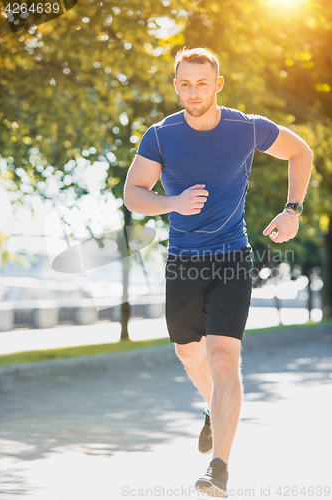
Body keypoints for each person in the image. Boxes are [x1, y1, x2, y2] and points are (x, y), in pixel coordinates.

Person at [124, 47, 313, 497]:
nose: (193, 92)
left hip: (232, 258)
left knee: (225, 357)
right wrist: (171, 202)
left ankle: (219, 468)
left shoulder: (245, 128)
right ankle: (213, 407)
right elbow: (134, 193)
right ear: (176, 86)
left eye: (202, 83)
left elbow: (300, 153)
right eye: (185, 83)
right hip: (183, 262)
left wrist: (293, 210)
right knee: (189, 353)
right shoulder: (160, 135)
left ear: (218, 84)